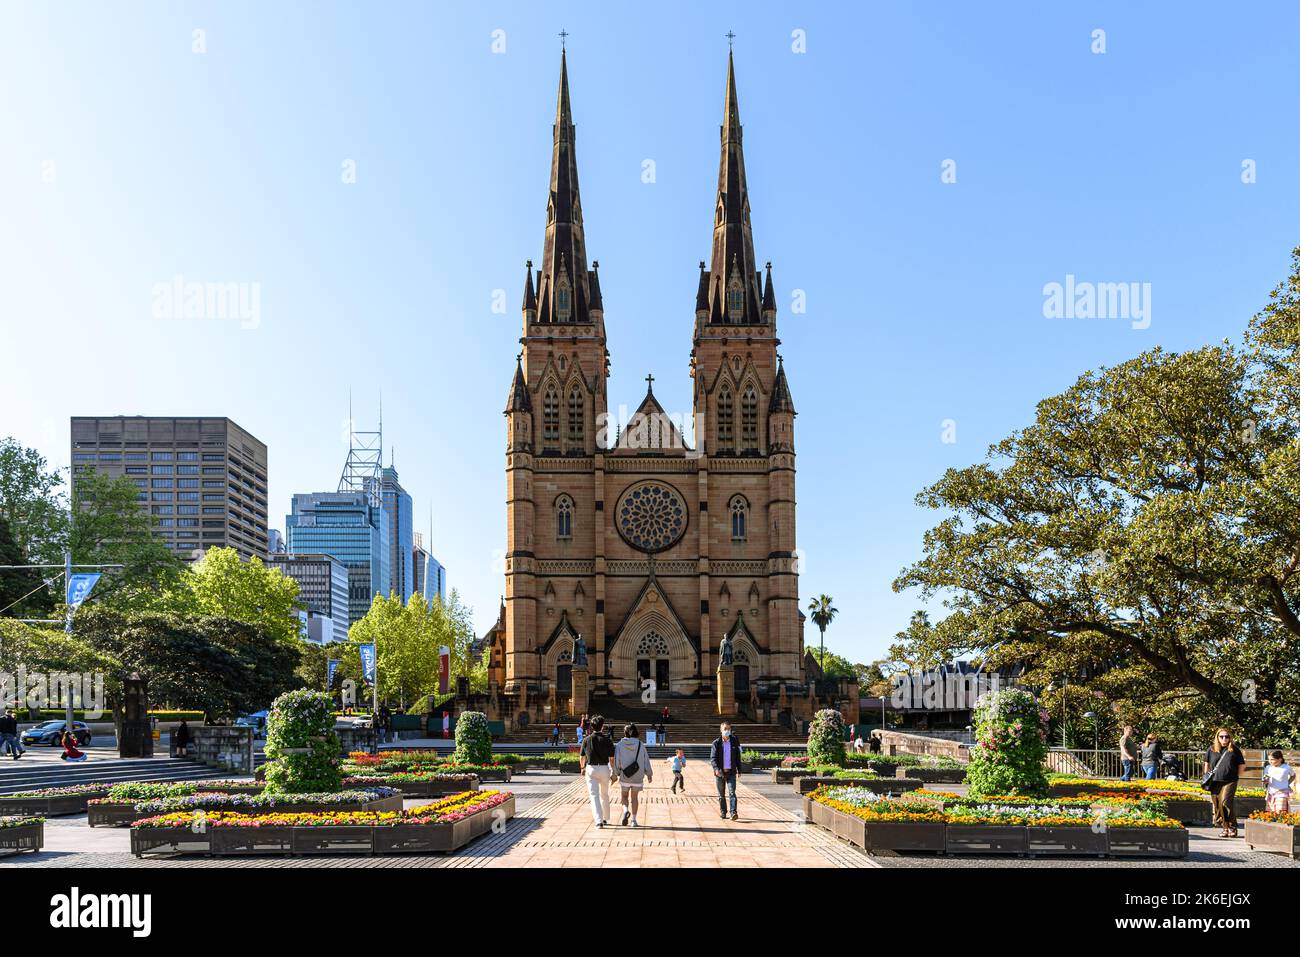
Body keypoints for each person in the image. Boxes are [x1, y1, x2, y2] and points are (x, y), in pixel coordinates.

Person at [1203, 727, 1246, 838]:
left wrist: (1237, 776)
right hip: (1215, 781)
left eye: (1227, 736)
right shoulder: (1211, 749)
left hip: (1230, 780)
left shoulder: (1234, 749)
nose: (1224, 739)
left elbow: (1241, 764)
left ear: (1230, 738)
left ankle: (1233, 827)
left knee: (1225, 802)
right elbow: (1206, 763)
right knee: (1218, 805)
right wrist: (1206, 776)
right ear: (1217, 737)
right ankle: (1225, 828)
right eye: (1221, 736)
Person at [579, 714, 616, 828]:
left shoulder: (586, 739)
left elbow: (582, 757)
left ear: (591, 726)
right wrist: (613, 771)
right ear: (602, 726)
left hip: (592, 768)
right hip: (604, 768)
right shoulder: (607, 740)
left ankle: (599, 821)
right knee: (604, 794)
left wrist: (582, 768)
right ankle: (605, 818)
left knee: (594, 795)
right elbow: (612, 758)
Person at [614, 723, 652, 827]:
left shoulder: (619, 745)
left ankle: (626, 810)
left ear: (625, 732)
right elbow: (646, 760)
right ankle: (634, 821)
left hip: (625, 775)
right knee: (634, 797)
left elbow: (617, 760)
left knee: (624, 796)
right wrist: (649, 773)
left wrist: (616, 772)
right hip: (638, 775)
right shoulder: (640, 744)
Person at [710, 721, 742, 821]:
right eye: (725, 729)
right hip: (720, 773)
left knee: (732, 792)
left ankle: (733, 813)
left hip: (731, 772)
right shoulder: (716, 743)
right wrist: (716, 769)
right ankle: (723, 811)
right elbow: (713, 758)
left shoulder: (734, 741)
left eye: (729, 729)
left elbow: (738, 756)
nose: (727, 731)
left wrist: (739, 769)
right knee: (721, 795)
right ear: (721, 730)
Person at [1264, 750, 1295, 814]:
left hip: (1282, 792)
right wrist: (1265, 781)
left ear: (1280, 759)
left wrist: (1288, 783)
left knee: (1280, 812)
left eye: (1272, 759)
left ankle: (1282, 823)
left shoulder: (1286, 767)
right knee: (1271, 813)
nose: (1270, 761)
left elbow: (1293, 775)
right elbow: (1265, 778)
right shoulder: (1268, 767)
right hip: (1271, 793)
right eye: (1269, 759)